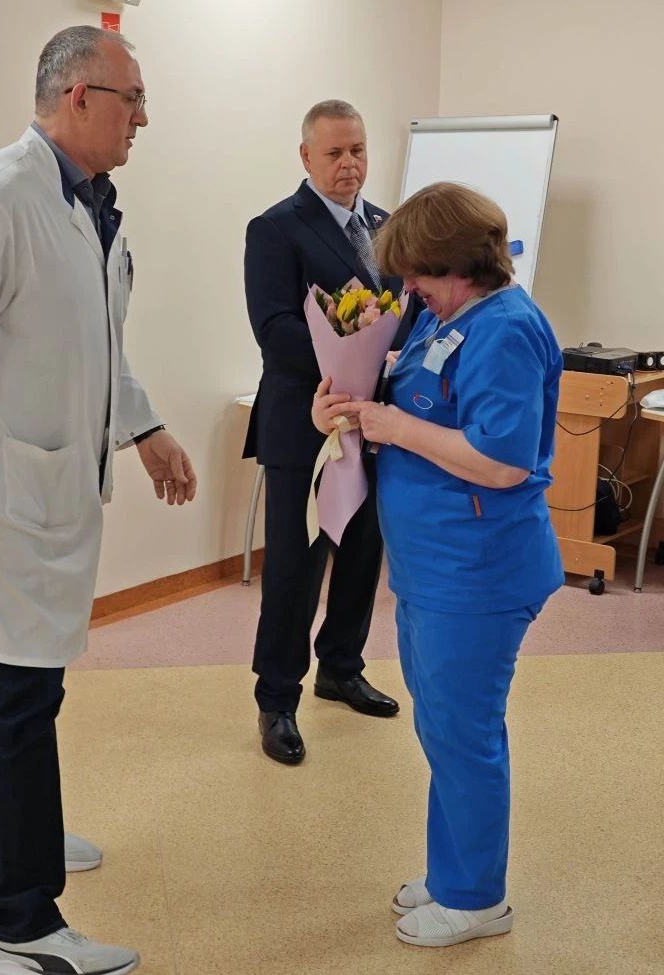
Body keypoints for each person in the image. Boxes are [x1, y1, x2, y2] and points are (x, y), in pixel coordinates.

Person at [0, 26, 196, 975]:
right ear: (78, 97)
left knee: (29, 680)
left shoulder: (91, 205)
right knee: (20, 693)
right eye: (132, 99)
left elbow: (97, 347)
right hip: (6, 493)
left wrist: (146, 429)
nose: (142, 118)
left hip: (59, 484)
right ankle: (20, 929)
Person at [313, 181, 564, 947]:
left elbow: (502, 461)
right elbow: (414, 399)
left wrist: (392, 425)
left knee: (464, 730)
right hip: (434, 569)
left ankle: (477, 899)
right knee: (444, 727)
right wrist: (347, 410)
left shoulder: (505, 330)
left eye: (418, 272)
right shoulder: (445, 317)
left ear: (458, 263)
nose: (409, 287)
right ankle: (453, 870)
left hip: (480, 570)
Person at [243, 100, 422, 765]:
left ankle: (341, 667)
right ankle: (276, 699)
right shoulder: (275, 228)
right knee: (296, 569)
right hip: (305, 425)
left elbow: (405, 310)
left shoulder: (388, 225)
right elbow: (274, 327)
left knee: (364, 553)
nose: (350, 164)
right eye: (335, 153)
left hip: (376, 420)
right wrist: (349, 359)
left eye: (358, 150)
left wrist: (387, 359)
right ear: (306, 157)